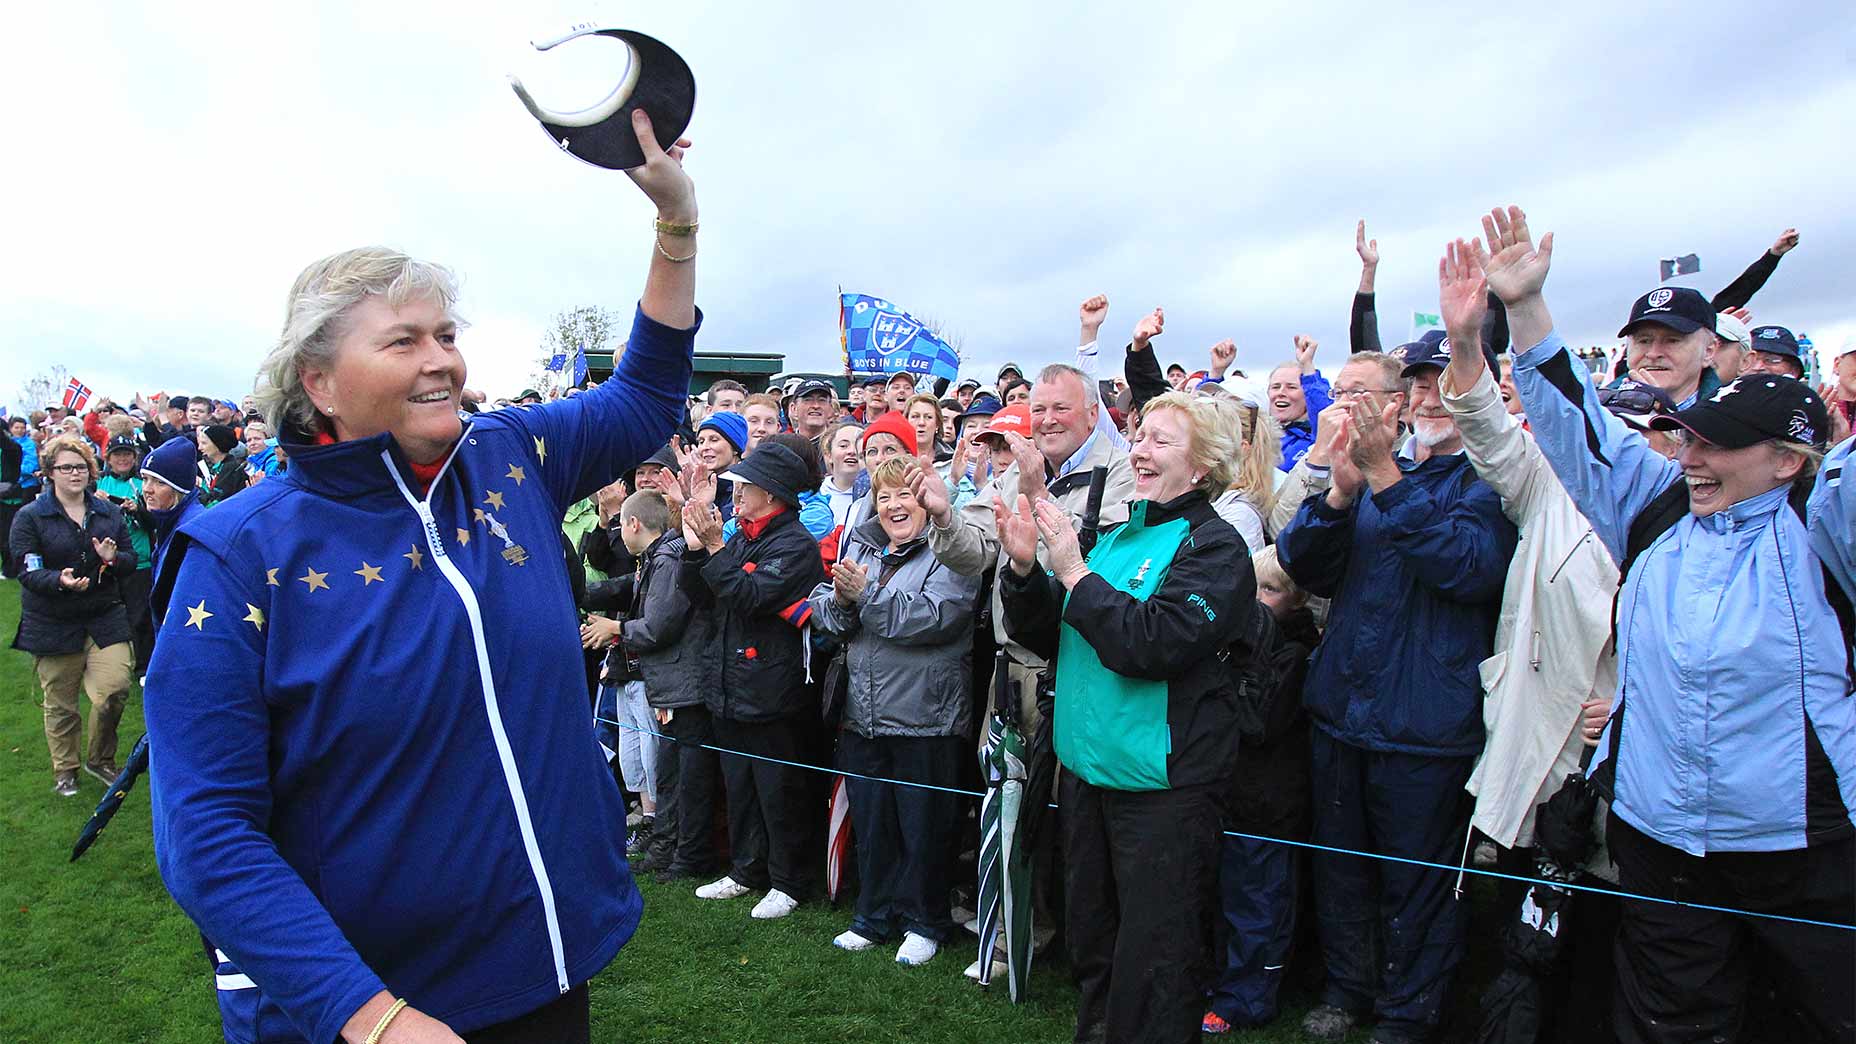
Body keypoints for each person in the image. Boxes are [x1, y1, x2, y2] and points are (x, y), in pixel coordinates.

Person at [142, 110, 698, 1044]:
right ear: (318, 380)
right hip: (361, 1007)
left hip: (542, 971)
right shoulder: (239, 551)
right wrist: (368, 1016)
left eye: (446, 334)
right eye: (403, 341)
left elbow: (645, 397)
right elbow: (205, 832)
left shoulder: (509, 453)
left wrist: (675, 223)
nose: (442, 358)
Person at [1484, 204, 1855, 1044]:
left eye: (1716, 444)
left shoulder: (1826, 529)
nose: (1688, 456)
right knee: (1669, 1025)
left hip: (1801, 848)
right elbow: (1576, 422)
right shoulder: (1654, 510)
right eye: (1685, 439)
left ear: (1789, 461)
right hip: (1658, 842)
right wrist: (1527, 311)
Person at [1276, 343, 1517, 1044]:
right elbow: (1303, 568)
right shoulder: (1390, 474)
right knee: (1344, 869)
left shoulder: (1492, 483)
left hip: (1427, 724)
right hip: (1344, 711)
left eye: (1446, 385)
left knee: (1418, 882)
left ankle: (1409, 1012)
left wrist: (1382, 475)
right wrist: (1340, 495)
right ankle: (1350, 988)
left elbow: (1466, 568)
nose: (1430, 398)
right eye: (1418, 386)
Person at [996, 390, 1253, 1044]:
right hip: (1088, 780)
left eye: (1161, 441)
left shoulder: (1215, 549)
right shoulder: (1117, 534)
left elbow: (1153, 643)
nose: (1139, 450)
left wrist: (1076, 575)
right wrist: (1027, 570)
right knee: (1098, 952)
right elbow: (1053, 633)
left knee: (1157, 967)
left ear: (1202, 466)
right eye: (1139, 437)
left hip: (1160, 793)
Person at [810, 457, 979, 966]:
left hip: (927, 718)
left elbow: (933, 618)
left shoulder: (953, 553)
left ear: (927, 500)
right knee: (873, 822)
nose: (893, 506)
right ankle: (872, 915)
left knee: (923, 828)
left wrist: (865, 596)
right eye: (884, 497)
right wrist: (842, 602)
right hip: (863, 715)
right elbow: (822, 608)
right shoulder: (859, 541)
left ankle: (924, 921)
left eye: (905, 494)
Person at [683, 442, 828, 920]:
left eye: (745, 485)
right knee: (740, 784)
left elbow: (748, 595)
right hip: (730, 684)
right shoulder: (741, 537)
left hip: (772, 690)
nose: (736, 493)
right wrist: (693, 547)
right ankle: (746, 870)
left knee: (778, 789)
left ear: (770, 493)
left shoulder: (794, 545)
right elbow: (702, 597)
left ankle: (788, 881)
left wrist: (717, 548)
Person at [1203, 545, 1318, 1036]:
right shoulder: (1239, 642)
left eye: (1270, 590)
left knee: (1258, 904)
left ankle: (1249, 995)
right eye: (1254, 588)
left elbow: (1259, 723)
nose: (1258, 600)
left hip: (1269, 804)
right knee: (1222, 897)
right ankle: (1219, 981)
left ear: (1295, 600)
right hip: (1230, 793)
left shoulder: (1294, 654)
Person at [9, 434, 138, 797]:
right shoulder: (31, 516)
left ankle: (101, 759)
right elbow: (27, 569)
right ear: (50, 473)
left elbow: (129, 560)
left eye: (81, 467)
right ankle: (65, 769)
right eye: (66, 467)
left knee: (114, 690)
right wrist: (60, 580)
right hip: (53, 620)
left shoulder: (107, 512)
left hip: (103, 615)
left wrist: (113, 560)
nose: (75, 474)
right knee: (62, 705)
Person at [96, 434, 158, 672]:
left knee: (140, 616)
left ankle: (143, 665)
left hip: (139, 562)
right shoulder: (98, 484)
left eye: (127, 454)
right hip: (105, 561)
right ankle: (109, 663)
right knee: (109, 613)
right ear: (108, 458)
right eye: (117, 454)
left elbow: (154, 521)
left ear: (135, 457)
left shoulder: (143, 484)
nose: (122, 459)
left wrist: (137, 509)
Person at [1610, 285, 1720, 408]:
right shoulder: (1594, 419)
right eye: (1644, 341)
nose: (1653, 354)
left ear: (1708, 351)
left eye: (1672, 341)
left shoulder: (1736, 420)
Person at [1265, 335, 1332, 471]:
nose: (1281, 393)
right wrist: (1216, 373)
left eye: (1291, 387)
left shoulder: (1316, 438)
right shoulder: (1258, 437)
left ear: (1306, 394)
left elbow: (1326, 417)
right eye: (1276, 387)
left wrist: (1307, 366)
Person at [195, 424, 248, 506]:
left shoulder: (231, 469)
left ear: (218, 445)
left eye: (204, 443)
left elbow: (216, 502)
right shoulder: (212, 467)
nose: (199, 448)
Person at [1742, 324, 1807, 379]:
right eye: (1750, 359)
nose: (1758, 367)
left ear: (1794, 371)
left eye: (1772, 360)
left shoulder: (1805, 394)